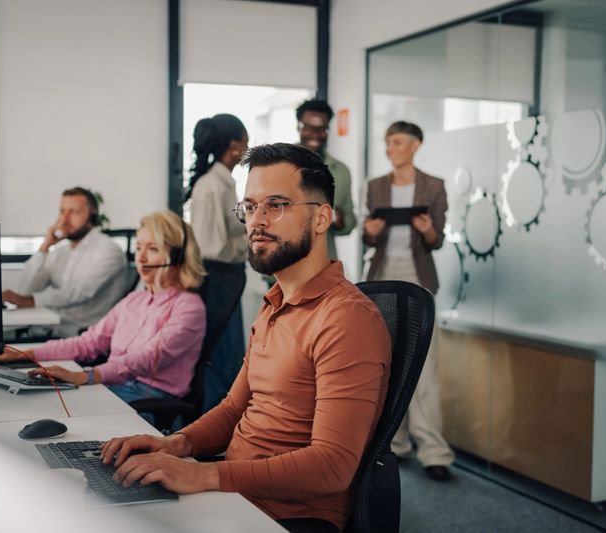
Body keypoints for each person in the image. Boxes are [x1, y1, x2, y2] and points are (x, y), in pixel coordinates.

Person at [100, 143, 391, 533]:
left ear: (322, 218)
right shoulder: (274, 304)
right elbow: (233, 408)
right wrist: (177, 445)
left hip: (288, 517)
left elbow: (332, 466)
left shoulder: (346, 319)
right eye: (250, 207)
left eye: (276, 205)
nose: (257, 221)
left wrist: (204, 475)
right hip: (235, 497)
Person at [0, 211, 207, 421]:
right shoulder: (134, 300)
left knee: (60, 411)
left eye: (152, 249)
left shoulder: (189, 308)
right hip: (113, 384)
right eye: (139, 248)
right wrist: (26, 354)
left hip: (149, 397)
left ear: (177, 257)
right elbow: (89, 342)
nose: (140, 258)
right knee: (40, 401)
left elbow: (146, 359)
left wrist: (86, 376)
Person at [362, 121, 454, 482]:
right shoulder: (375, 187)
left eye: (397, 142)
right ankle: (393, 443)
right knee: (385, 362)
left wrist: (427, 229)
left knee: (425, 366)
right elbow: (371, 241)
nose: (390, 148)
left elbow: (437, 240)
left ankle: (433, 450)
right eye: (387, 142)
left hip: (418, 278)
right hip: (382, 276)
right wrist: (370, 234)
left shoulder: (434, 186)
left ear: (416, 145)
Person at [185, 114, 249, 412]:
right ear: (235, 145)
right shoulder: (212, 185)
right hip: (217, 279)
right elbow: (211, 245)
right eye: (246, 140)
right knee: (220, 356)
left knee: (231, 355)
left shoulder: (225, 183)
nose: (248, 146)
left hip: (228, 278)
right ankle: (209, 429)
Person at [2, 187, 128, 337]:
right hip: (49, 331)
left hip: (82, 337)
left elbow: (81, 292)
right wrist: (45, 247)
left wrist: (31, 301)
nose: (64, 219)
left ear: (92, 218)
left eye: (74, 212)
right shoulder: (61, 252)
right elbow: (24, 290)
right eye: (62, 211)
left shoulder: (108, 250)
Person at [296, 98, 357, 261]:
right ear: (298, 127)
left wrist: (341, 221)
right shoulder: (279, 165)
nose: (315, 134)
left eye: (322, 128)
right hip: (282, 266)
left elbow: (350, 223)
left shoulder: (341, 171)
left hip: (322, 265)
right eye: (309, 127)